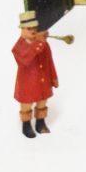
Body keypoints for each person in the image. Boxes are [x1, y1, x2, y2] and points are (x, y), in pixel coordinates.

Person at [12, 11, 58, 139]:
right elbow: (25, 60)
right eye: (29, 28)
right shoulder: (19, 46)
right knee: (26, 104)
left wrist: (54, 77)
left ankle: (40, 122)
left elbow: (49, 62)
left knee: (42, 102)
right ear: (22, 29)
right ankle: (26, 125)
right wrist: (38, 42)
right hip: (27, 83)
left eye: (35, 27)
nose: (33, 30)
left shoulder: (44, 44)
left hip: (43, 81)